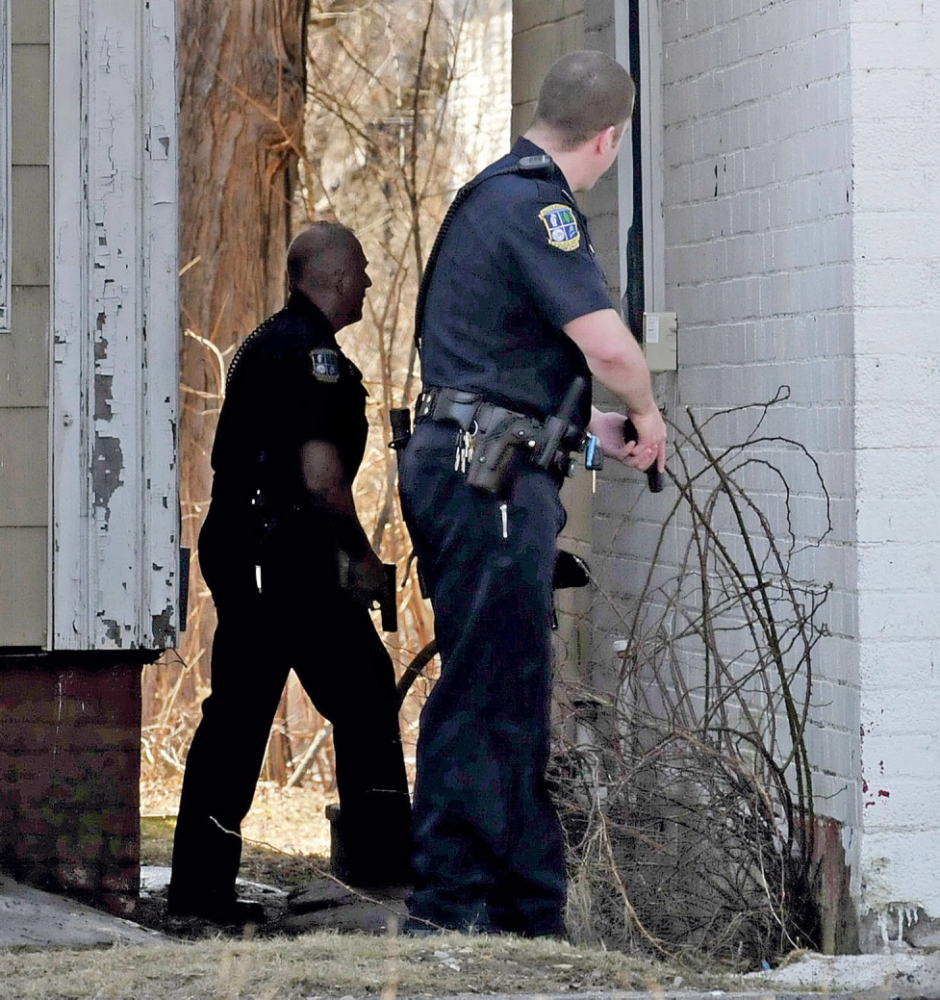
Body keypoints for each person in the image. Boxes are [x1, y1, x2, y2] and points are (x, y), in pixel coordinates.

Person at [397, 51, 667, 938]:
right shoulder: (538, 206)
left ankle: (519, 907)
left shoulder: (491, 198)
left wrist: (592, 435)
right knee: (488, 687)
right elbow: (610, 348)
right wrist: (645, 411)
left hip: (488, 463)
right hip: (491, 479)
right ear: (610, 136)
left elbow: (497, 366)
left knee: (508, 682)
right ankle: (453, 905)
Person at [168, 222, 412, 926]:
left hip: (261, 547)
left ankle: (208, 886)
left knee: (300, 704)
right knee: (310, 705)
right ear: (334, 278)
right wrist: (361, 555)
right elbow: (318, 474)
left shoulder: (268, 341)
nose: (367, 282)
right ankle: (375, 871)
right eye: (361, 271)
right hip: (280, 556)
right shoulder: (309, 357)